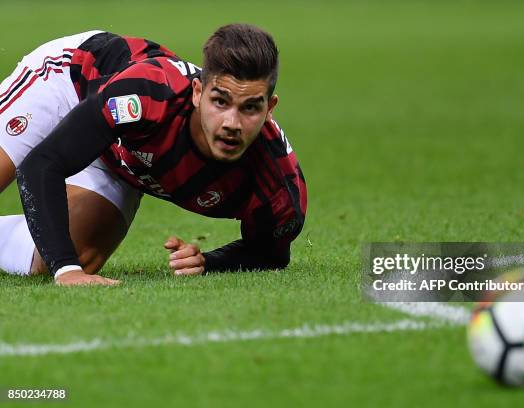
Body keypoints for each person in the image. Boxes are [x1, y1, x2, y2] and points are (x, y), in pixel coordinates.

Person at [0, 24, 307, 286]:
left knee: (63, 256)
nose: (231, 123)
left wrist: (206, 263)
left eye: (250, 107)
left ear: (270, 108)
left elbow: (269, 252)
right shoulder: (150, 95)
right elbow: (40, 164)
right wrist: (67, 272)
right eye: (220, 101)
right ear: (197, 92)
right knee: (64, 260)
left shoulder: (279, 184)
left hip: (124, 152)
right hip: (72, 82)